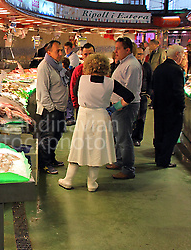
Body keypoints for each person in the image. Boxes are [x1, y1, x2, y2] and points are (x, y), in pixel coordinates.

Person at [58, 54, 134, 191]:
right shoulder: (110, 82)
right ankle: (92, 183)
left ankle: (68, 180)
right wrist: (113, 108)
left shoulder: (81, 79)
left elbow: (74, 94)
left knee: (78, 148)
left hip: (84, 116)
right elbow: (130, 96)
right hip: (102, 116)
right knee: (96, 150)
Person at [106, 37, 142, 180]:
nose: (115, 51)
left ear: (128, 50)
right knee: (118, 136)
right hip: (118, 106)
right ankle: (119, 161)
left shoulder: (132, 65)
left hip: (125, 107)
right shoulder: (123, 63)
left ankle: (128, 169)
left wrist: (117, 107)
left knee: (124, 138)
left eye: (118, 48)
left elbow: (130, 94)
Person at [36, 40, 69, 174]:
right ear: (48, 52)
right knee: (48, 138)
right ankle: (44, 164)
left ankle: (51, 158)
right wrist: (52, 109)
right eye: (58, 51)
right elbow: (43, 92)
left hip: (59, 109)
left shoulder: (57, 66)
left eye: (61, 50)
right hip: (50, 110)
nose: (61, 53)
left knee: (56, 135)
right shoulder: (44, 67)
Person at [152, 45, 186, 168]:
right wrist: (181, 106)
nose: (183, 57)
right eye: (182, 54)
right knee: (171, 134)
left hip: (159, 107)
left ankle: (158, 158)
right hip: (172, 108)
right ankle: (164, 161)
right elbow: (178, 91)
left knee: (159, 133)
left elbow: (153, 88)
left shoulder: (159, 68)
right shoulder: (177, 70)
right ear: (177, 54)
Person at [132, 47, 152, 147]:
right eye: (138, 54)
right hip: (132, 96)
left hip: (143, 95)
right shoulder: (132, 66)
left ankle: (137, 138)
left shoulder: (147, 66)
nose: (139, 56)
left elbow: (150, 81)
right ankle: (130, 136)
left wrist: (148, 93)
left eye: (141, 54)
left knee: (141, 118)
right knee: (132, 118)